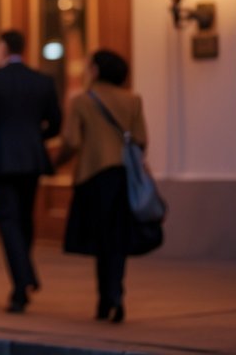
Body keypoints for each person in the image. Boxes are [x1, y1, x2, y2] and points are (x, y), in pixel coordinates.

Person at [0, 29, 61, 313]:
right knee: (24, 219)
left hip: (0, 159)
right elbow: (56, 123)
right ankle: (23, 282)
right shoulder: (42, 81)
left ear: (3, 47)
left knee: (8, 220)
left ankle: (23, 281)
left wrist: (0, 133)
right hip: (32, 159)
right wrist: (33, 137)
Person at [57, 49, 148, 323]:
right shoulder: (133, 100)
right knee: (117, 238)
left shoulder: (82, 101)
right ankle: (117, 294)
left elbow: (72, 141)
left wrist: (55, 163)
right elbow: (141, 140)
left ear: (95, 70)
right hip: (122, 175)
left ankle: (104, 300)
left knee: (100, 239)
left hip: (93, 176)